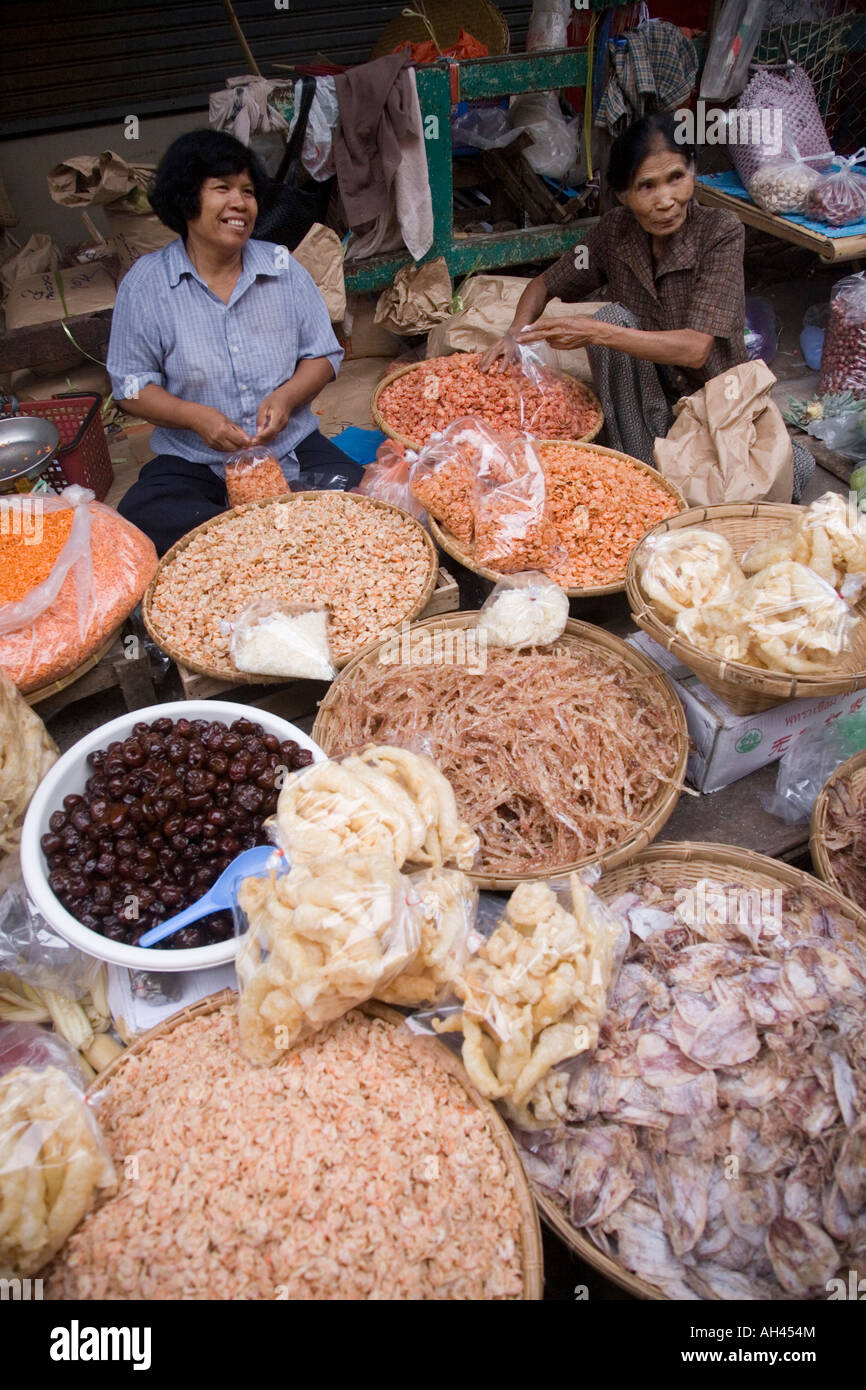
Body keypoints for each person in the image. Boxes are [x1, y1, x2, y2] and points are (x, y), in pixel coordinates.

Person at [107, 129, 362, 554]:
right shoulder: (147, 284)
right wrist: (195, 417)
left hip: (289, 445)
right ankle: (266, 539)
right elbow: (131, 389)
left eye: (247, 191)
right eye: (222, 188)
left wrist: (286, 397)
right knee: (143, 519)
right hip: (195, 462)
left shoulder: (282, 268)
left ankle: (246, 541)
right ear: (186, 199)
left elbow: (323, 354)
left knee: (362, 498)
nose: (239, 203)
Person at [484, 112, 749, 468]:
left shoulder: (720, 232)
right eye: (647, 186)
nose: (666, 200)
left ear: (693, 173)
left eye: (676, 178)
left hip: (714, 400)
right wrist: (517, 332)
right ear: (623, 195)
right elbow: (545, 282)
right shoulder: (613, 233)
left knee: (785, 471)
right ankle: (639, 464)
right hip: (646, 404)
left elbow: (695, 349)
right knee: (614, 320)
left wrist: (596, 331)